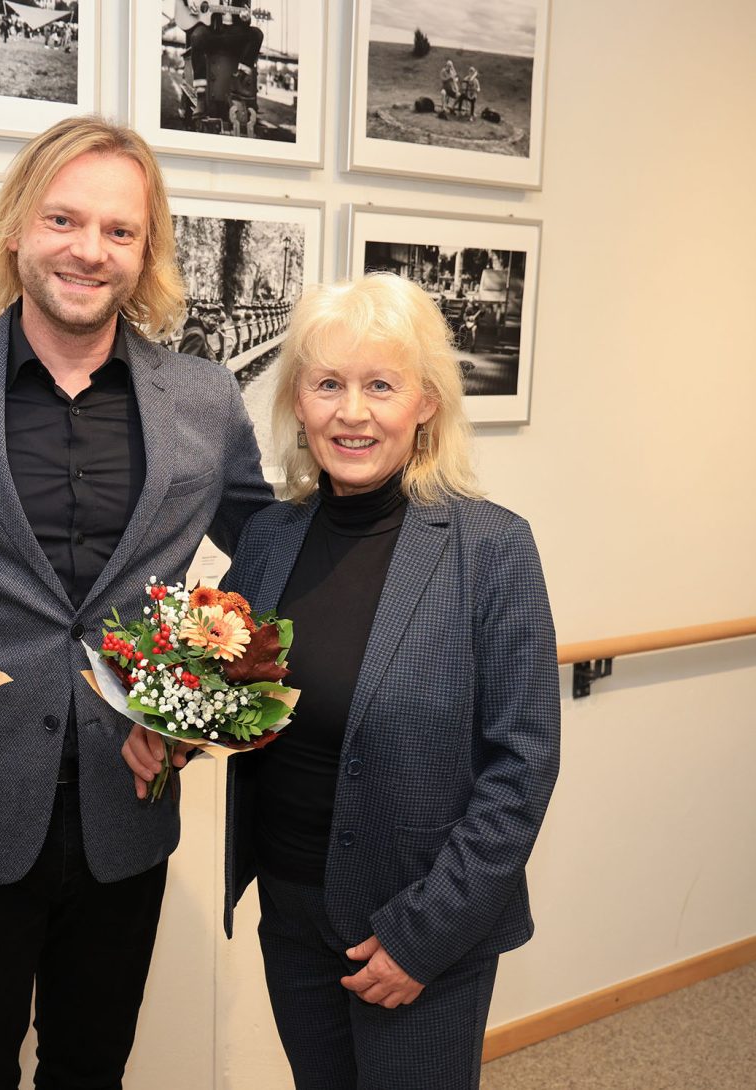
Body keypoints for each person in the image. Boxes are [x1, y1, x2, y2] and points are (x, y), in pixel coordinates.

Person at [0, 116, 273, 1090]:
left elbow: (266, 556)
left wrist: (194, 706)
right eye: (64, 218)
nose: (87, 250)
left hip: (125, 803)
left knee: (90, 1068)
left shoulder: (202, 399)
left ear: (145, 253)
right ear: (16, 227)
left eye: (118, 230)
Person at [214, 273, 560, 1090]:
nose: (353, 412)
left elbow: (524, 766)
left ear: (427, 403)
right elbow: (231, 694)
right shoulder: (267, 541)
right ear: (299, 402)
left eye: (380, 385)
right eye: (328, 384)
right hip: (292, 909)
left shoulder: (492, 550)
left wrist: (422, 936)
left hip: (418, 925)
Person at [184, 0, 264, 116]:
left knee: (257, 34)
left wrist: (246, 18)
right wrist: (190, 2)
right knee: (197, 36)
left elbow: (246, 21)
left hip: (233, 34)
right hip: (213, 31)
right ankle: (201, 98)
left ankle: (239, 80)